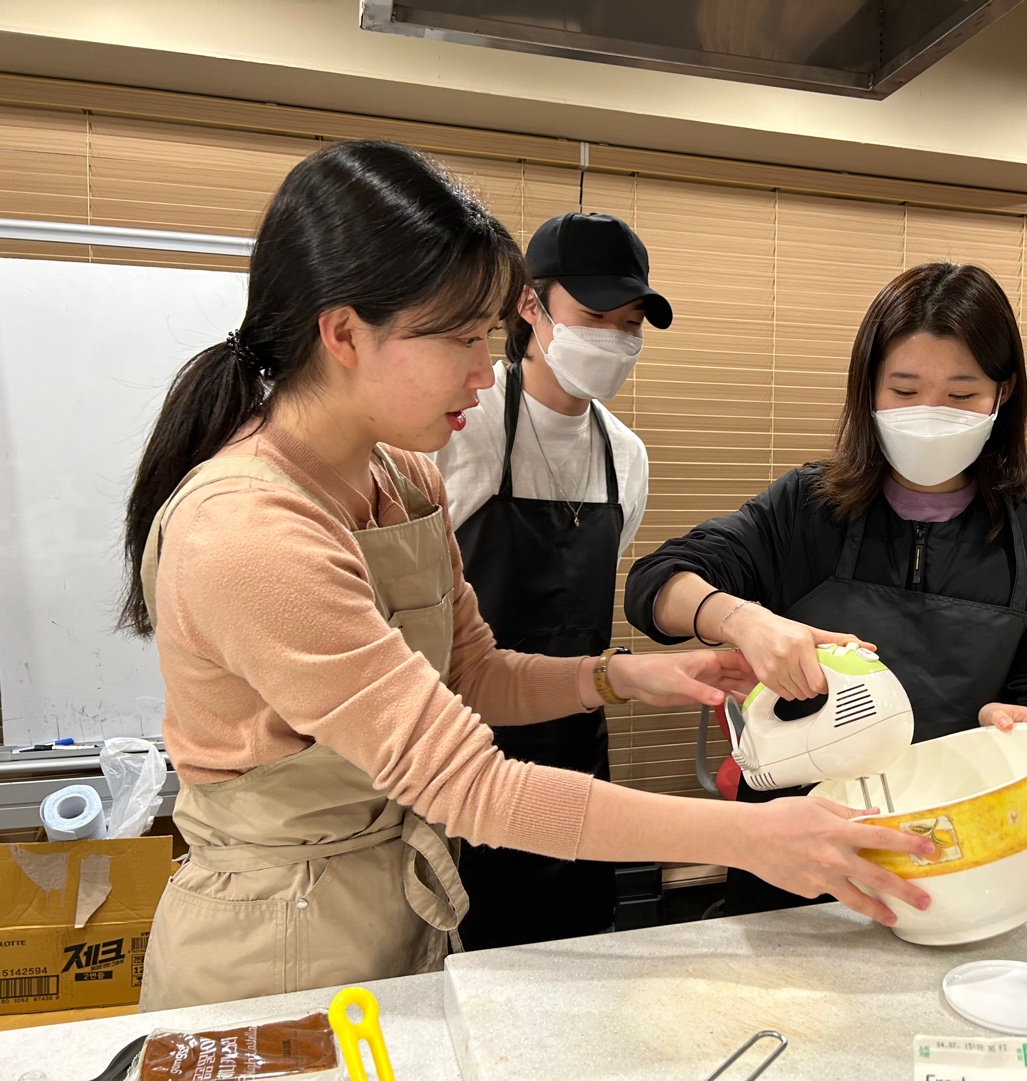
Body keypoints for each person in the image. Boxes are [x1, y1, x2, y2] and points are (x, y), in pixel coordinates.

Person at [119, 140, 933, 1011]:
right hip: (273, 952)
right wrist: (750, 836)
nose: (485, 367)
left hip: (401, 915)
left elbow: (471, 673)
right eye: (461, 337)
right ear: (344, 332)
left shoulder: (404, 477)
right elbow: (468, 781)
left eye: (486, 334)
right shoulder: (248, 529)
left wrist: (630, 677)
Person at [624, 261, 1027, 915]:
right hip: (794, 855)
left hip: (955, 853)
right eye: (905, 390)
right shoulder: (807, 509)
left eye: (961, 395)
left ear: (1003, 392)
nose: (931, 415)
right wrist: (742, 620)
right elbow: (656, 584)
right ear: (869, 388)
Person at [434, 213, 664, 949]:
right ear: (530, 305)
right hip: (461, 752)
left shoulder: (626, 456)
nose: (615, 340)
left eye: (630, 324)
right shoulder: (458, 427)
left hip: (575, 748)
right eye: (596, 316)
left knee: (578, 959)